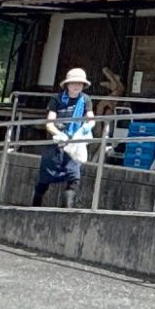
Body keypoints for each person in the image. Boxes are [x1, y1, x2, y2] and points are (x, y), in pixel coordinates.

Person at [33, 69, 97, 208]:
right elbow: (49, 123)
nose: (77, 86)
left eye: (80, 83)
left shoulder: (85, 99)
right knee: (45, 178)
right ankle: (36, 204)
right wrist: (58, 133)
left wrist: (86, 127)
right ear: (67, 84)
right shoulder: (56, 99)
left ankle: (66, 210)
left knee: (74, 177)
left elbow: (91, 119)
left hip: (74, 144)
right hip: (56, 143)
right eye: (74, 83)